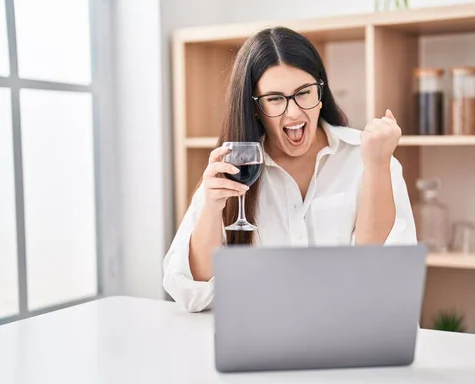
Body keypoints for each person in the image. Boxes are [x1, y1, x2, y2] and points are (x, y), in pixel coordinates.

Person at [163, 26, 417, 312]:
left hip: (353, 339)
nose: (293, 112)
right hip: (263, 343)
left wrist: (377, 165)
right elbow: (190, 292)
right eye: (275, 99)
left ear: (320, 93)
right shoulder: (233, 166)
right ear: (255, 107)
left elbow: (382, 273)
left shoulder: (369, 156)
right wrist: (211, 208)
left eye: (303, 93)